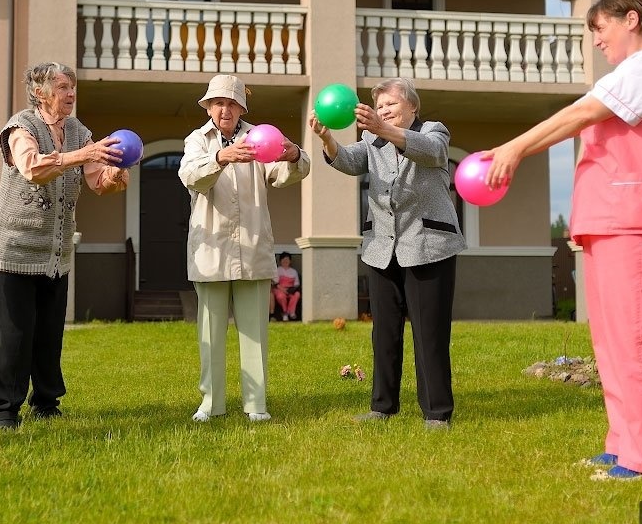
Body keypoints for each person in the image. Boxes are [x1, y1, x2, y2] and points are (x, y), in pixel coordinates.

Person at [481, 0, 642, 480]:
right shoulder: (622, 77)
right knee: (610, 342)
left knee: (632, 341)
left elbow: (579, 116)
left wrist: (514, 147)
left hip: (634, 217)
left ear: (631, 20)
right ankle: (622, 444)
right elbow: (576, 123)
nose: (596, 40)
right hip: (607, 220)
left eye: (600, 28)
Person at [309, 77, 464, 429]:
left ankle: (437, 412)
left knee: (430, 333)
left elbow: (431, 151)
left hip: (429, 246)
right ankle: (383, 406)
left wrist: (382, 128)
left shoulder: (434, 131)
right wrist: (326, 138)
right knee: (384, 332)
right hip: (382, 247)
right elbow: (348, 161)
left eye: (390, 104)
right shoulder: (372, 139)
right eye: (378, 107)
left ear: (412, 106)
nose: (383, 111)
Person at [0, 62, 129, 429]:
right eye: (63, 87)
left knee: (49, 336)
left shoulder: (79, 131)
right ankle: (4, 410)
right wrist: (83, 156)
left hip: (56, 255)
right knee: (16, 338)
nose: (71, 94)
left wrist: (117, 171)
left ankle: (46, 404)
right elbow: (32, 168)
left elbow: (99, 183)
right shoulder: (21, 127)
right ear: (40, 92)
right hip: (14, 251)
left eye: (73, 87)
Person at [179, 74, 310, 422]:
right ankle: (211, 405)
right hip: (211, 251)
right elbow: (191, 177)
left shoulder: (260, 138)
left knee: (254, 333)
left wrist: (297, 155)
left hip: (252, 247)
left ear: (242, 109)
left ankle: (256, 405)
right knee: (210, 333)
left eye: (232, 104)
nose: (225, 109)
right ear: (208, 107)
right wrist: (221, 157)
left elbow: (285, 173)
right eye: (218, 103)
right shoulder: (197, 140)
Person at [271, 252, 302, 321]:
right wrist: (283, 289)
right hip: (279, 289)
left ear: (290, 261)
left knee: (297, 294)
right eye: (283, 259)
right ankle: (285, 312)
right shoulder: (278, 270)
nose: (285, 261)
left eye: (287, 259)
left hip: (291, 290)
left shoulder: (294, 271)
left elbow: (297, 284)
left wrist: (291, 290)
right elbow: (275, 282)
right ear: (280, 261)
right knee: (281, 296)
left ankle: (290, 312)